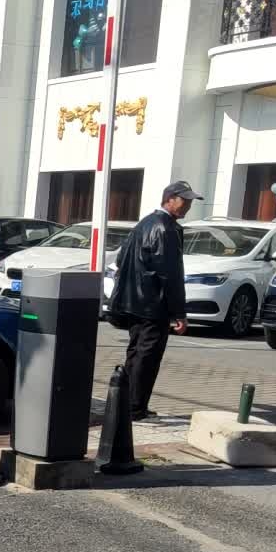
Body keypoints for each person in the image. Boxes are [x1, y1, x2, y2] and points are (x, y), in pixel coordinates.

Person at [108, 179, 202, 421]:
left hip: (134, 302)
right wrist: (179, 313)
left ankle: (127, 403)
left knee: (135, 352)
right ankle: (135, 408)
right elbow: (169, 273)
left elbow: (121, 260)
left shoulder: (144, 223)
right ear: (169, 199)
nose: (188, 206)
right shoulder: (165, 228)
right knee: (147, 357)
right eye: (184, 200)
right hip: (153, 305)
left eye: (190, 201)